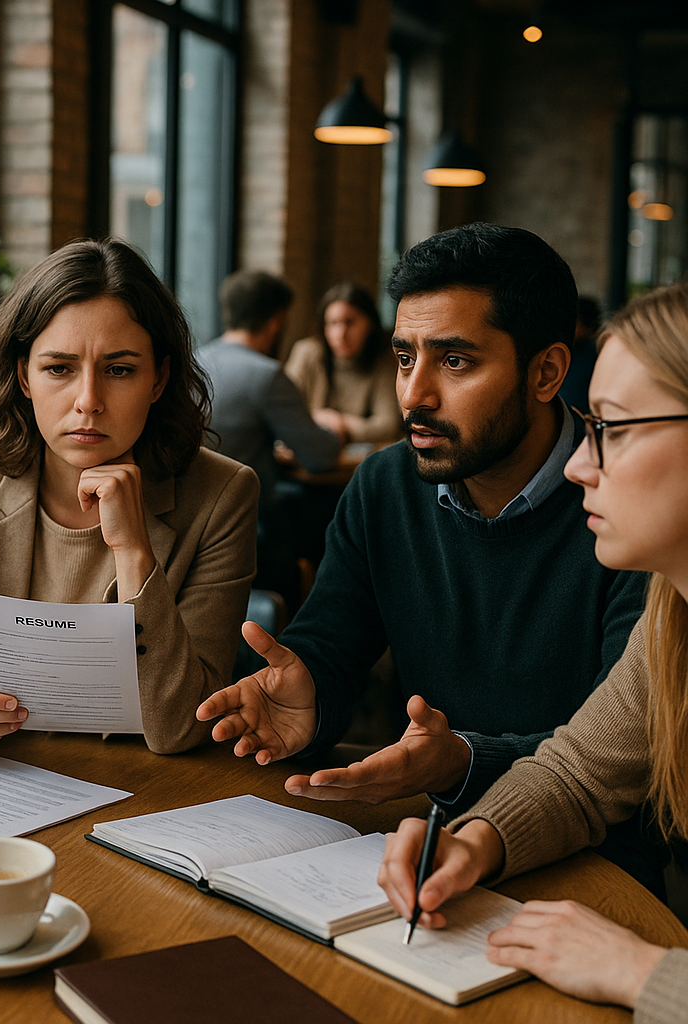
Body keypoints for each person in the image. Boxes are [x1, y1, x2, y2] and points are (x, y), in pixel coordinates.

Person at [197, 222, 657, 891]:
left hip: (598, 870)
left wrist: (460, 760)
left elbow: (613, 757)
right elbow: (330, 644)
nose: (413, 395)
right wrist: (310, 697)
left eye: (456, 361)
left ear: (547, 371)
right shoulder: (385, 486)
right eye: (406, 357)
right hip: (424, 843)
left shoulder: (629, 511)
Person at [378, 281, 688, 1022]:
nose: (580, 464)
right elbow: (581, 775)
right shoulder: (672, 615)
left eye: (611, 428)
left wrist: (646, 972)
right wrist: (475, 842)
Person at [0, 238, 258, 757]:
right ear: (23, 375)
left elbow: (183, 725)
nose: (88, 401)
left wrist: (134, 552)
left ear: (159, 378)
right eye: (59, 368)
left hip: (150, 788)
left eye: (120, 369)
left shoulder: (222, 495)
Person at [196, 269, 339, 607]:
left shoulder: (194, 361)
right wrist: (334, 428)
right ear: (276, 320)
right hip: (251, 535)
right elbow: (319, 456)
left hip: (192, 525)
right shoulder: (266, 375)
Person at [283, 282, 402, 444]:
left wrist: (336, 422)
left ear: (370, 323)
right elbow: (284, 412)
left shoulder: (383, 362)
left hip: (356, 462)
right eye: (333, 323)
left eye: (349, 322)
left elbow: (387, 427)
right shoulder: (307, 353)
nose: (340, 334)